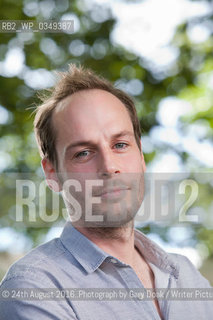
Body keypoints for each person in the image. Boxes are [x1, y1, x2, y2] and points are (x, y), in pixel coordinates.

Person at [0, 64, 212, 320]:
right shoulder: (34, 287)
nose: (109, 167)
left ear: (141, 156)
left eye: (120, 144)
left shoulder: (188, 278)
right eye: (83, 153)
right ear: (52, 173)